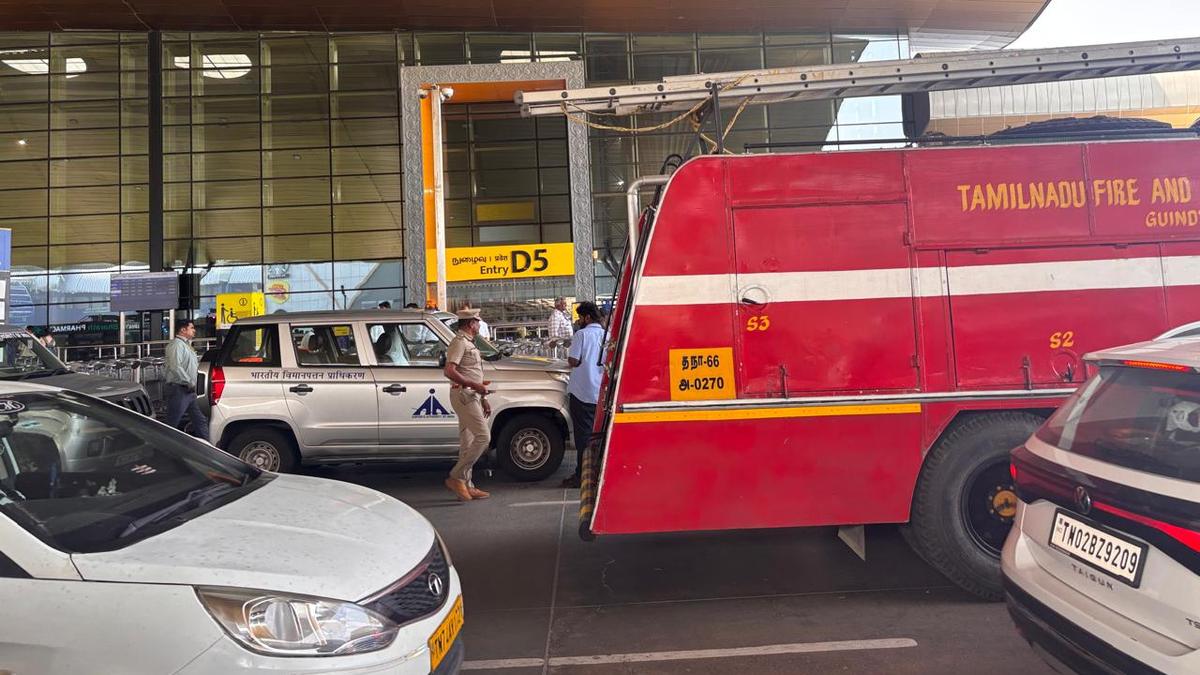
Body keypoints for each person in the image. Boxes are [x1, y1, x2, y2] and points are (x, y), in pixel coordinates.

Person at [442, 308, 491, 502]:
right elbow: (449, 370)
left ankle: (467, 485)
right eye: (478, 321)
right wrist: (473, 385)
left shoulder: (470, 342)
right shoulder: (459, 342)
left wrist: (483, 397)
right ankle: (456, 477)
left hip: (472, 395)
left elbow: (473, 372)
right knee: (483, 437)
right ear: (471, 323)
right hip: (464, 395)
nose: (479, 325)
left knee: (468, 443)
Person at [562, 302, 605, 488]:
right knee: (598, 434)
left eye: (580, 317)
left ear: (587, 318)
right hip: (600, 393)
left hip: (582, 393)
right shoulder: (607, 335)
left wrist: (573, 360)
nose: (579, 321)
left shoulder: (581, 335)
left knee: (583, 438)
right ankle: (598, 472)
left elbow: (573, 360)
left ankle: (581, 475)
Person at [164, 320, 209, 441]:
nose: (194, 330)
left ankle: (208, 448)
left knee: (200, 420)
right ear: (183, 330)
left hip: (191, 389)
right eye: (192, 328)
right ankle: (163, 448)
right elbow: (175, 366)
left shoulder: (186, 345)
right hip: (179, 388)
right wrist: (189, 382)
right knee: (172, 422)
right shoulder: (176, 345)